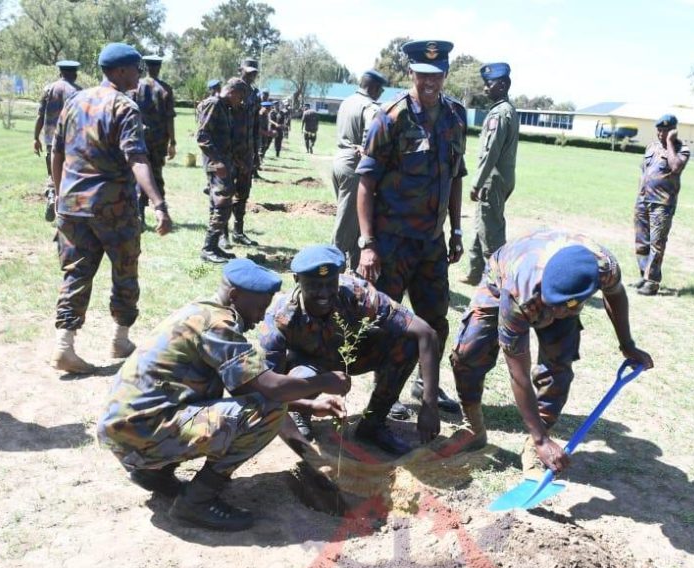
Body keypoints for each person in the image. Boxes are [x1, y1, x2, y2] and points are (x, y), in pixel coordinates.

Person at [98, 258, 350, 531]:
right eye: (259, 307)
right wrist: (324, 381)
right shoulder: (218, 326)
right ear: (234, 295)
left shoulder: (200, 312)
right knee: (269, 412)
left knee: (251, 407)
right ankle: (196, 502)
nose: (259, 316)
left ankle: (153, 473)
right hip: (144, 430)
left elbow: (247, 388)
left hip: (127, 428)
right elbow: (272, 390)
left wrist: (310, 405)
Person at [449, 229, 654, 471]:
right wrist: (542, 440)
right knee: (468, 352)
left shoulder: (604, 266)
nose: (550, 317)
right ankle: (473, 426)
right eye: (550, 306)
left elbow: (615, 294)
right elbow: (519, 375)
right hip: (506, 275)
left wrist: (627, 345)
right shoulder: (519, 295)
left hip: (557, 288)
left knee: (558, 369)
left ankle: (534, 447)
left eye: (560, 309)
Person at [356, 39, 466, 418]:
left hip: (431, 244)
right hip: (392, 243)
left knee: (436, 319)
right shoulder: (390, 116)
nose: (429, 82)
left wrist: (456, 231)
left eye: (436, 75)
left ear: (445, 75)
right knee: (389, 321)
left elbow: (455, 178)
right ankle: (388, 395)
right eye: (422, 75)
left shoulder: (455, 116)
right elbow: (366, 184)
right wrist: (368, 244)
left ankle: (425, 383)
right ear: (411, 73)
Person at [49, 43, 172, 374]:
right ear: (119, 71)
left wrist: (60, 194)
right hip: (112, 207)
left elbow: (56, 152)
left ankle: (65, 345)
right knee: (125, 268)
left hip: (72, 205)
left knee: (76, 271)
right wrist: (158, 203)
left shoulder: (75, 101)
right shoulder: (125, 107)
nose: (139, 75)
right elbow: (137, 158)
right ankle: (120, 338)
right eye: (135, 69)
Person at [257, 245, 442, 456]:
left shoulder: (354, 292)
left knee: (406, 343)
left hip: (351, 355)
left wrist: (430, 405)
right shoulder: (279, 319)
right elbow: (267, 391)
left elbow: (427, 334)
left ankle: (373, 424)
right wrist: (306, 407)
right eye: (315, 285)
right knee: (298, 377)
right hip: (308, 368)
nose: (324, 293)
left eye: (330, 283)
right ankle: (302, 412)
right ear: (297, 280)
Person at [463, 62, 519, 286]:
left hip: (491, 180)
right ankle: (475, 272)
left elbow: (490, 152)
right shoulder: (508, 110)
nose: (486, 88)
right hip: (501, 179)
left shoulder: (499, 114)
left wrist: (476, 183)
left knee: (491, 232)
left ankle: (501, 282)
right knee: (482, 223)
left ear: (503, 84)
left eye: (490, 83)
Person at [331, 69, 387, 271]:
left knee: (354, 221)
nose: (380, 94)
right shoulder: (369, 106)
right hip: (354, 166)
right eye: (380, 89)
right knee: (346, 224)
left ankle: (354, 269)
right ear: (372, 87)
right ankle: (331, 268)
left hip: (339, 160)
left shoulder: (347, 101)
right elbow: (371, 134)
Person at [196, 78, 252, 264]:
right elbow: (203, 136)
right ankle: (208, 247)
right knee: (222, 205)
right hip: (217, 165)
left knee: (218, 204)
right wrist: (217, 161)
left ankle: (214, 247)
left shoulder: (224, 108)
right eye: (240, 97)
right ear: (232, 92)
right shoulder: (213, 104)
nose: (241, 101)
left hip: (225, 163)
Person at [634, 113, 690, 296]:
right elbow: (644, 171)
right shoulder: (651, 147)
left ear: (673, 130)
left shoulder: (682, 149)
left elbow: (675, 167)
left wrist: (670, 144)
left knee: (656, 244)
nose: (661, 133)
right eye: (659, 129)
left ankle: (652, 282)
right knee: (641, 243)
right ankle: (644, 275)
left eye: (666, 130)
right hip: (643, 201)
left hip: (662, 204)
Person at [132, 55, 177, 228]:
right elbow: (169, 118)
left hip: (139, 139)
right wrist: (172, 142)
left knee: (139, 175)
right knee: (156, 175)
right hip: (159, 140)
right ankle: (161, 211)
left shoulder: (136, 86)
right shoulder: (165, 89)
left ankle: (140, 214)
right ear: (159, 68)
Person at [33, 60, 81, 223]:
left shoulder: (49, 89)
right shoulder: (79, 92)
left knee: (53, 171)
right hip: (73, 140)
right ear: (75, 74)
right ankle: (68, 211)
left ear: (60, 73)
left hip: (51, 139)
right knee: (71, 174)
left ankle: (52, 195)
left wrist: (35, 138)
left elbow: (40, 115)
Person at [224, 58, 262, 249]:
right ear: (241, 70)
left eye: (254, 72)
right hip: (230, 151)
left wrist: (257, 151)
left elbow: (256, 125)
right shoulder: (231, 88)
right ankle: (223, 234)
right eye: (248, 71)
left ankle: (238, 231)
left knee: (243, 194)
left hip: (247, 151)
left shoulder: (255, 95)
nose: (251, 74)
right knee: (225, 192)